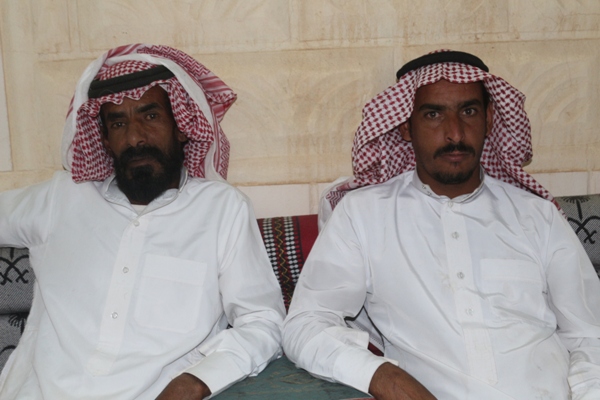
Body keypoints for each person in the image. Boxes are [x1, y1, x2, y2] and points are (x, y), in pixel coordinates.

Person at [282, 50, 600, 399]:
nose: (455, 133)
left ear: (489, 119)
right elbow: (305, 324)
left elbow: (590, 336)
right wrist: (383, 377)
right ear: (405, 126)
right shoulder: (363, 215)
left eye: (469, 111)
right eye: (433, 114)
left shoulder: (538, 216)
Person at [0, 43, 285, 399]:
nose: (135, 137)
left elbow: (262, 321)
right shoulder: (61, 198)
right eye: (118, 123)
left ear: (181, 126)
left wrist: (197, 380)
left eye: (150, 117)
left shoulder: (222, 210)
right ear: (104, 140)